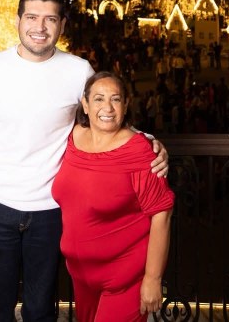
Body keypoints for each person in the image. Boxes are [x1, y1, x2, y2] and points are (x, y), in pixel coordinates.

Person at [0, 0, 168, 322]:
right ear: (17, 20)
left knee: (41, 309)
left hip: (51, 212)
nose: (39, 27)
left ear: (62, 25)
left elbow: (101, 116)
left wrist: (145, 139)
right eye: (32, 17)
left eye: (50, 19)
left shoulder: (77, 70)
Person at [52, 72, 174, 322]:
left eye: (115, 99)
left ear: (126, 105)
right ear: (85, 105)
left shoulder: (139, 150)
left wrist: (153, 279)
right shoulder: (71, 139)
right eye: (98, 99)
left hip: (124, 276)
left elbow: (162, 214)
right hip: (81, 275)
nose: (107, 107)